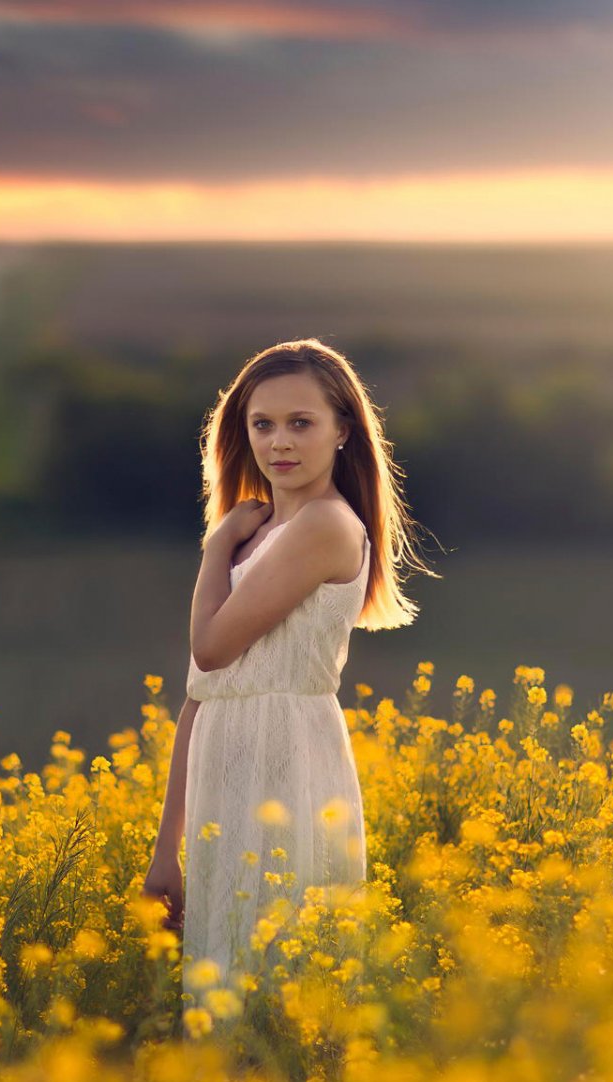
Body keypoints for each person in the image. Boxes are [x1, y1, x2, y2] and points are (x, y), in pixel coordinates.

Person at [142, 338, 430, 1011]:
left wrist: (216, 548)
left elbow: (210, 648)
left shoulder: (324, 526)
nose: (280, 443)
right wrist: (167, 852)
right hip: (228, 773)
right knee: (226, 989)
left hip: (287, 770)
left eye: (301, 423)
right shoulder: (269, 531)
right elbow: (203, 694)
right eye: (262, 424)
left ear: (342, 431)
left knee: (278, 992)